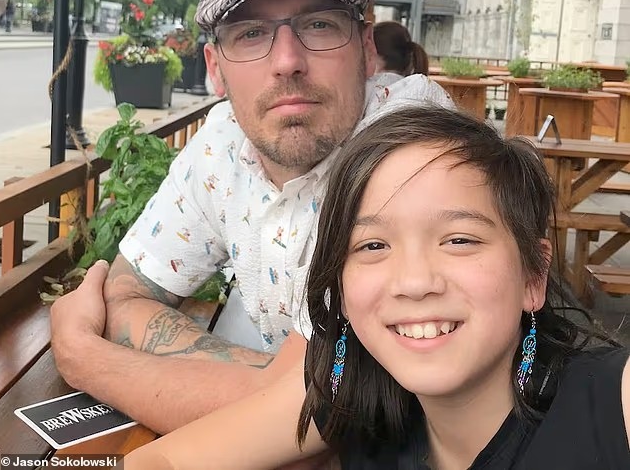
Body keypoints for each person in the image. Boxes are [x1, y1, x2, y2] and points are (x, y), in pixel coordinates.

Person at [50, 0, 454, 437]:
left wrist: (85, 358)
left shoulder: (410, 151)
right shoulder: (223, 142)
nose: (287, 62)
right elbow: (125, 291)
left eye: (320, 25)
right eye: (250, 34)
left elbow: (316, 417)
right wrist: (272, 383)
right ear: (215, 69)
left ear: (366, 49)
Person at [120, 106, 629, 469]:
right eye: (372, 246)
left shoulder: (613, 408)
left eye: (459, 239)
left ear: (533, 276)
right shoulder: (353, 388)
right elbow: (163, 461)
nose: (414, 282)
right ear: (340, 289)